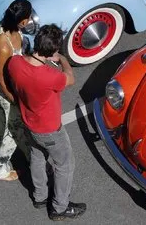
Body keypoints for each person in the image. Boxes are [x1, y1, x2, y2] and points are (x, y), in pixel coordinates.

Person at [8, 24, 86, 220]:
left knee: (37, 156)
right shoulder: (50, 76)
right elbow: (70, 79)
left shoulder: (15, 63)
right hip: (50, 130)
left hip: (29, 122)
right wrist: (63, 60)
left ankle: (40, 196)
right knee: (65, 165)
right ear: (52, 51)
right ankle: (59, 208)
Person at [0, 0, 31, 181]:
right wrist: (14, 99)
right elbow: (1, 78)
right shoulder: (4, 45)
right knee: (8, 130)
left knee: (9, 127)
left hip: (14, 88)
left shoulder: (14, 29)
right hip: (6, 92)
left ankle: (27, 152)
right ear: (22, 21)